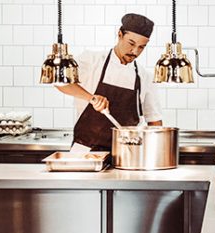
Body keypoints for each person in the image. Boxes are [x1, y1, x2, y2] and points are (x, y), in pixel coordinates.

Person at [55, 13, 163, 151]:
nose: (135, 51)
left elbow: (154, 120)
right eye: (131, 43)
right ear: (119, 34)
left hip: (127, 153)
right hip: (85, 151)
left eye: (141, 47)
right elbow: (60, 82)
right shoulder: (91, 60)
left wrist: (157, 152)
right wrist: (91, 98)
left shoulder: (144, 77)